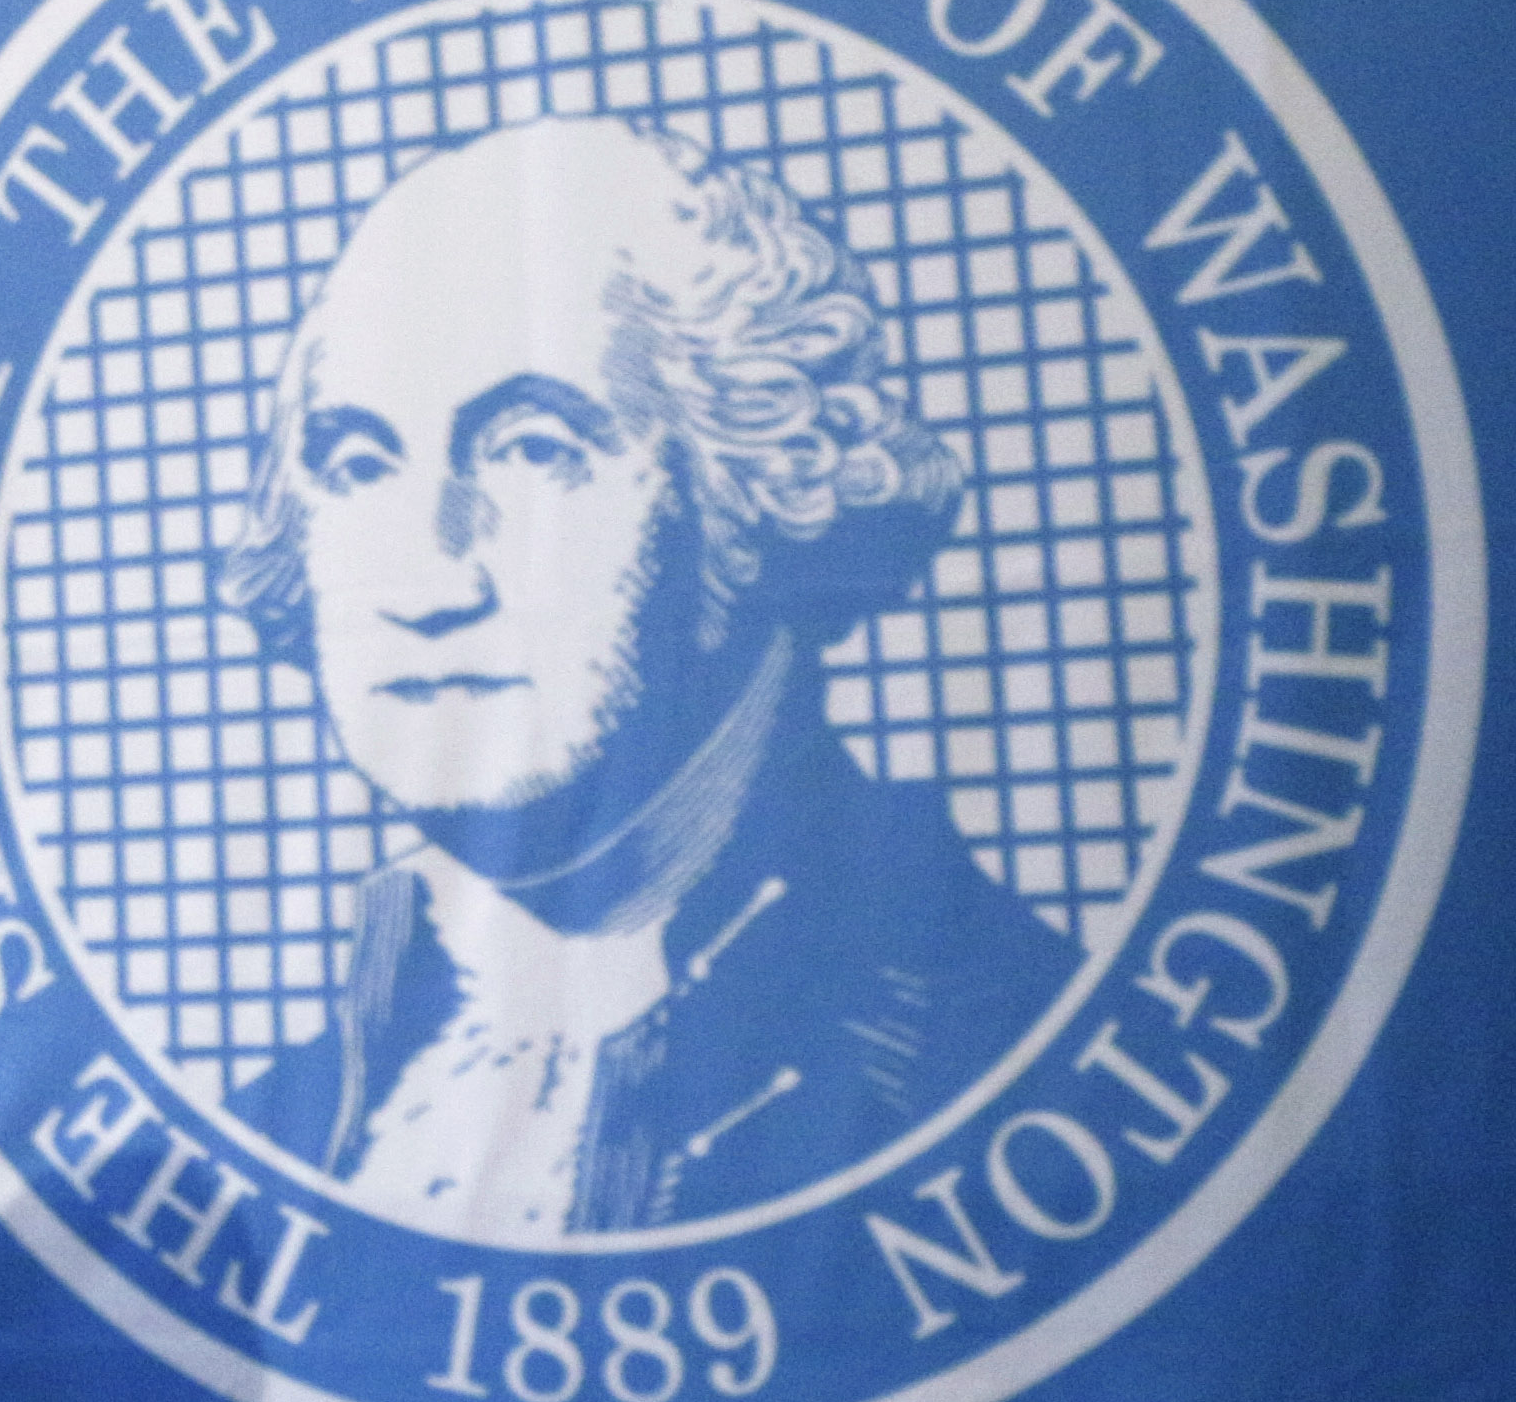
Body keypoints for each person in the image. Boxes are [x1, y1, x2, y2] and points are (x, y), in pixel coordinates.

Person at [213, 113, 1072, 1237]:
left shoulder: (999, 1062)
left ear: (759, 484)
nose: (427, 573)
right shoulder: (256, 1141)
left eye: (531, 449)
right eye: (357, 462)